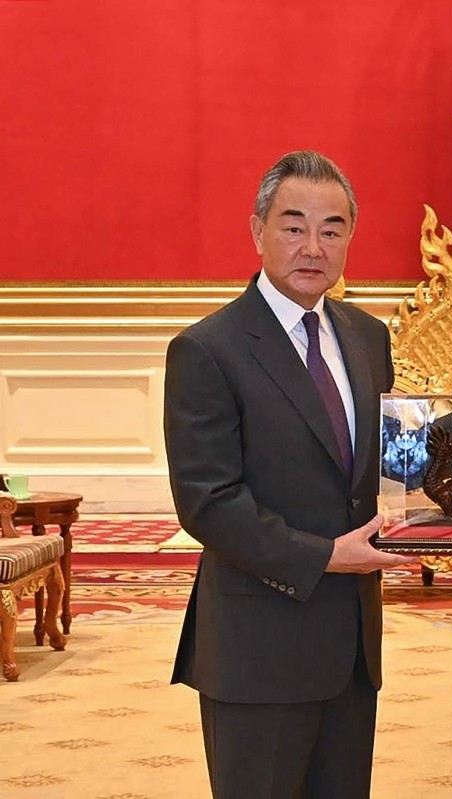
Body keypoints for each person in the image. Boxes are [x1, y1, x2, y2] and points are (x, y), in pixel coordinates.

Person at [164, 150, 414, 798]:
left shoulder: (366, 336)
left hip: (351, 654)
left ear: (349, 239)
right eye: (293, 224)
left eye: (332, 229)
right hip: (258, 653)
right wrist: (324, 556)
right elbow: (207, 501)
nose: (313, 245)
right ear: (258, 231)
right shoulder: (208, 349)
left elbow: (386, 462)